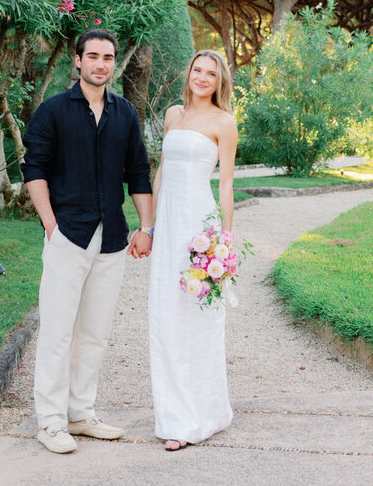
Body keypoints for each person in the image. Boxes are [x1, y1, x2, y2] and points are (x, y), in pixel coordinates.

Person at [21, 28, 154, 454]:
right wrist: (50, 224)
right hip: (68, 235)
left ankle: (81, 414)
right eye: (92, 56)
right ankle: (51, 422)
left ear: (114, 63)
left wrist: (145, 227)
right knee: (58, 332)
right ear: (77, 61)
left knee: (94, 333)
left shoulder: (126, 114)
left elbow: (138, 173)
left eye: (108, 57)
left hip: (112, 237)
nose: (101, 64)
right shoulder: (54, 111)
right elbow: (34, 169)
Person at [148, 49, 238, 451]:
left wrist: (224, 244)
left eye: (211, 73)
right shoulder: (172, 114)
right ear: (189, 74)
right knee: (166, 316)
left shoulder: (224, 122)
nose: (202, 78)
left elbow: (226, 186)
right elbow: (162, 171)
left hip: (199, 229)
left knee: (198, 318)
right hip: (167, 226)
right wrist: (147, 225)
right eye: (197, 70)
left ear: (221, 82)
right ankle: (171, 415)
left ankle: (200, 416)